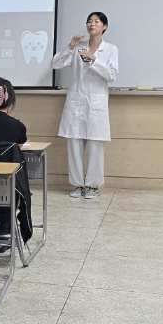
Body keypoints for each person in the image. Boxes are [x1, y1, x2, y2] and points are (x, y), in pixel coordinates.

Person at [51, 11, 118, 200]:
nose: (92, 24)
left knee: (96, 146)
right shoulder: (78, 47)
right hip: (76, 101)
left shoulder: (111, 49)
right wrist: (69, 47)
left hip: (97, 103)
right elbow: (55, 64)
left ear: (104, 26)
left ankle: (92, 186)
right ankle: (78, 184)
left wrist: (94, 59)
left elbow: (111, 75)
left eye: (96, 21)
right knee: (74, 144)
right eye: (89, 21)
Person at [0, 76, 34, 247]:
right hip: (8, 193)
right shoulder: (17, 127)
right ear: (11, 101)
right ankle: (5, 226)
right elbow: (20, 144)